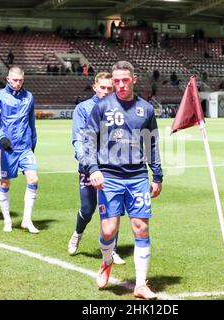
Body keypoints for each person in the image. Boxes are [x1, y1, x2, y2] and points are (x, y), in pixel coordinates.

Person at [84, 61, 163, 299]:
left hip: (138, 176)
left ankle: (140, 284)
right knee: (109, 230)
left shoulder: (146, 109)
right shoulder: (101, 107)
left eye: (124, 80)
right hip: (108, 176)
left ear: (134, 80)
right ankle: (106, 261)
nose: (120, 84)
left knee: (141, 227)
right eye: (116, 80)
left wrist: (157, 175)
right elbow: (88, 139)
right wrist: (93, 169)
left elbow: (152, 144)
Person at [68, 72, 125, 265]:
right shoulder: (83, 109)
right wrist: (89, 165)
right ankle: (78, 232)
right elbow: (78, 139)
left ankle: (113, 251)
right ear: (95, 87)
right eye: (103, 87)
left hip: (112, 169)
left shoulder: (119, 108)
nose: (106, 91)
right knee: (87, 208)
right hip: (89, 168)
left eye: (110, 88)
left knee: (113, 209)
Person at [0, 66, 39, 233]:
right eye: (15, 80)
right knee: (4, 182)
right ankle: (7, 220)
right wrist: (1, 138)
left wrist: (33, 141)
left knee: (33, 179)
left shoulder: (29, 96)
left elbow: (31, 121)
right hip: (6, 148)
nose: (18, 83)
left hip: (25, 147)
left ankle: (26, 220)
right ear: (8, 79)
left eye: (20, 80)